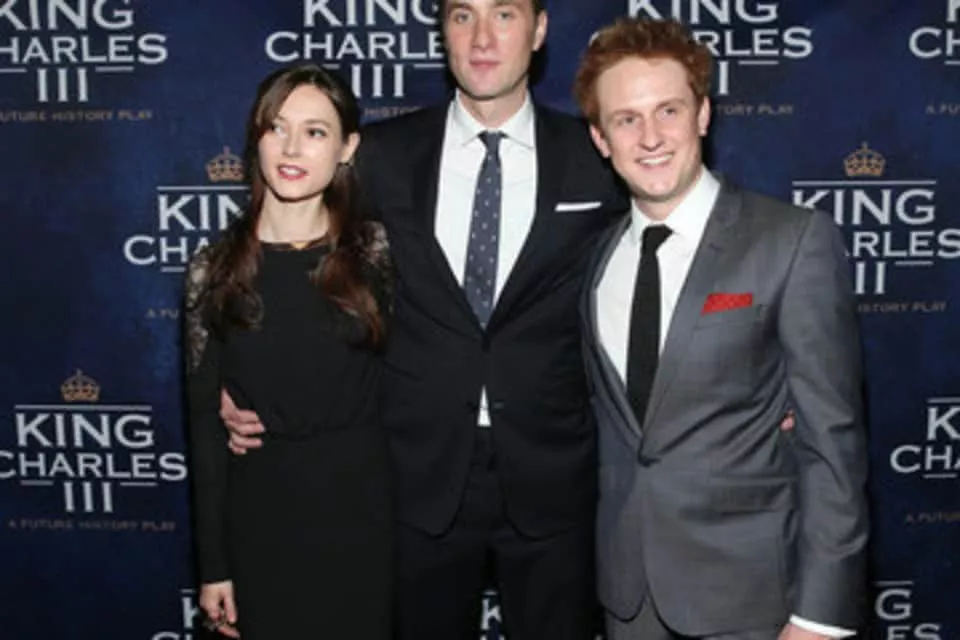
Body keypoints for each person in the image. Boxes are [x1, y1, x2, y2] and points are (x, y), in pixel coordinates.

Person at [223, 0, 628, 637]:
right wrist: (243, 379)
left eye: (504, 14)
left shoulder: (596, 154)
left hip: (553, 473)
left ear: (540, 30)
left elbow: (665, 264)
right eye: (463, 16)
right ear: (443, 32)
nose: (483, 38)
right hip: (413, 474)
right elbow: (289, 261)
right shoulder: (380, 156)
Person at [573, 18, 869, 640]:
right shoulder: (598, 258)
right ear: (600, 138)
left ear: (703, 114)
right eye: (626, 119)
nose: (650, 137)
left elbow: (833, 444)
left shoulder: (791, 241)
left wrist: (820, 616)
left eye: (669, 110)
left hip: (754, 601)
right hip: (629, 599)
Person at [183, 64, 393, 639]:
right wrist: (214, 567)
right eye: (277, 127)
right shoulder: (213, 269)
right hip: (260, 520)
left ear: (347, 147)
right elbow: (204, 432)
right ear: (257, 139)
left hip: (367, 516)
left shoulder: (376, 255)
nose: (292, 147)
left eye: (315, 131)